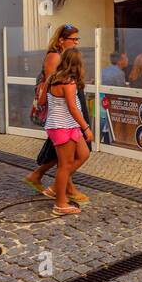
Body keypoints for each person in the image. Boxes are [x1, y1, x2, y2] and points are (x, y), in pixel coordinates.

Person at [23, 24, 89, 204]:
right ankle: (62, 189)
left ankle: (45, 179)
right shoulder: (54, 57)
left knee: (71, 152)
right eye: (73, 39)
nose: (76, 42)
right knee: (65, 154)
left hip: (69, 113)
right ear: (61, 40)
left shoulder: (67, 59)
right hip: (61, 115)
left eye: (77, 39)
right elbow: (53, 86)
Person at [44, 48, 94, 216]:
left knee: (84, 153)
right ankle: (60, 204)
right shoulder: (69, 83)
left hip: (67, 125)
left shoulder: (52, 78)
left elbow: (43, 99)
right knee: (65, 165)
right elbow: (73, 108)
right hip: (63, 126)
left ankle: (55, 188)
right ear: (77, 64)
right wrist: (86, 127)